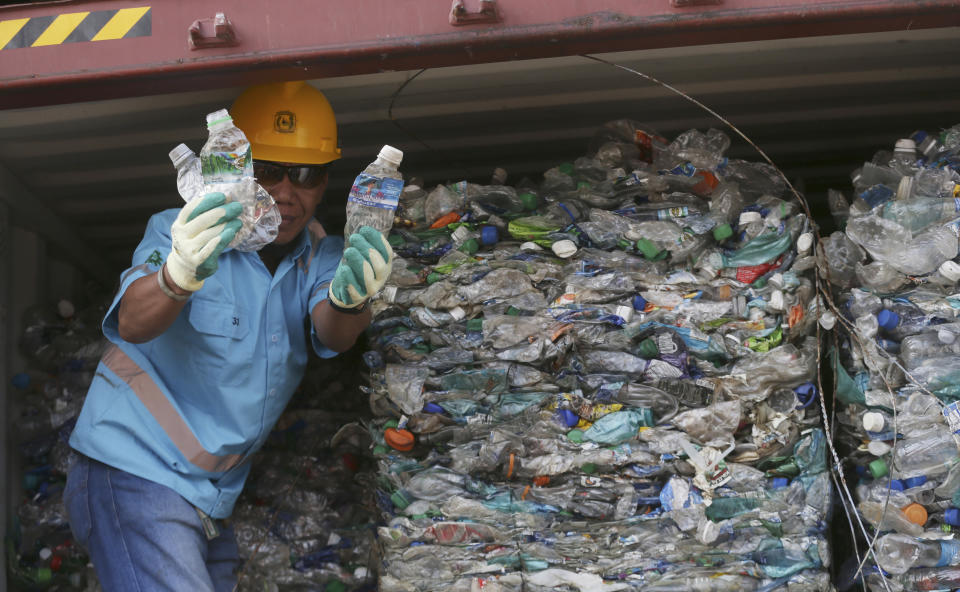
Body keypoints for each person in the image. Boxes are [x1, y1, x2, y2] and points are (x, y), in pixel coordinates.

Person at [63, 80, 393, 591]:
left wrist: (353, 300)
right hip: (133, 469)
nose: (286, 193)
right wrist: (178, 275)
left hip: (211, 495)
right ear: (236, 168)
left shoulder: (321, 257)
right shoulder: (182, 229)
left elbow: (336, 329)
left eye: (306, 174)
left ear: (326, 182)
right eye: (268, 172)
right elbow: (132, 320)